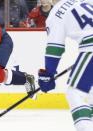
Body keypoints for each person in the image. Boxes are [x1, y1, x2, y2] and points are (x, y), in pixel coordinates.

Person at [38, 0, 93, 131]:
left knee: (75, 93)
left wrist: (48, 74)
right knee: (90, 95)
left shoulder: (57, 11)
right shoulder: (84, 1)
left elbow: (54, 48)